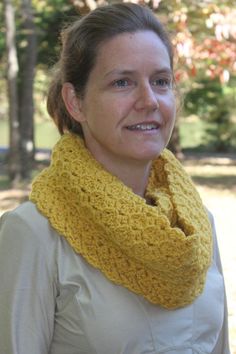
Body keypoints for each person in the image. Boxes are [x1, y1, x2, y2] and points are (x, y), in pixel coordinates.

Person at [0, 3, 231, 353]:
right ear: (75, 102)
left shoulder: (196, 225)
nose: (149, 100)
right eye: (122, 82)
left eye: (160, 81)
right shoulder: (34, 233)